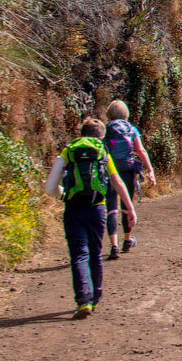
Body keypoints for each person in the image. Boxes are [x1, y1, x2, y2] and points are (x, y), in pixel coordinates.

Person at [44, 118, 134, 318]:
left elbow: (49, 188)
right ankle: (95, 298)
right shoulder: (102, 152)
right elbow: (117, 182)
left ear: (80, 133)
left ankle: (83, 300)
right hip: (97, 209)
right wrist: (129, 208)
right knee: (95, 253)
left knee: (79, 255)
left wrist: (66, 194)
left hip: (73, 209)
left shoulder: (68, 152)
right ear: (101, 137)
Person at [101, 99, 157, 259]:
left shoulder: (106, 130)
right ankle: (127, 240)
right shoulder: (131, 129)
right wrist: (150, 170)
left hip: (110, 172)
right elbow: (140, 150)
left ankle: (114, 246)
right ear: (126, 114)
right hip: (127, 171)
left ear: (109, 114)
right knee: (127, 205)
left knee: (111, 208)